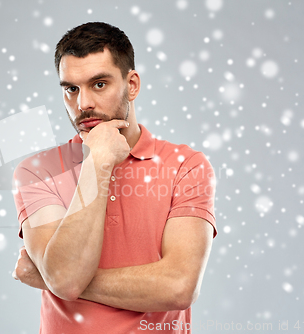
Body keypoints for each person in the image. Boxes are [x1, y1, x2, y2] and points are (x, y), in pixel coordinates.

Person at [12, 22, 217, 334]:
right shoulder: (37, 172)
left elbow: (178, 287)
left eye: (99, 84)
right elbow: (65, 278)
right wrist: (98, 163)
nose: (83, 104)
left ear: (131, 84)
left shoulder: (186, 166)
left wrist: (50, 277)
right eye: (71, 89)